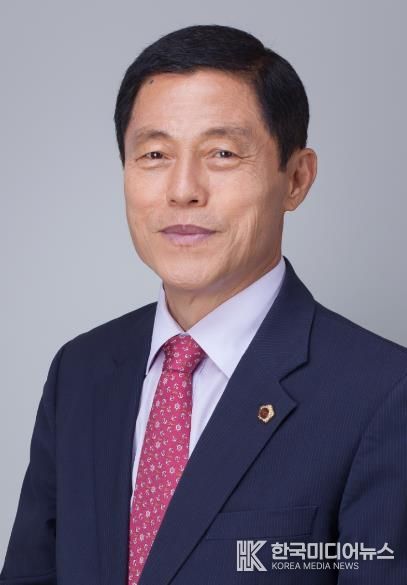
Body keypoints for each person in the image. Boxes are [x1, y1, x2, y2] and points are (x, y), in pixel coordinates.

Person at [1, 24, 406, 585]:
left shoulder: (383, 393)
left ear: (296, 178)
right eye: (154, 154)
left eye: (222, 153)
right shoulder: (81, 370)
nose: (183, 189)